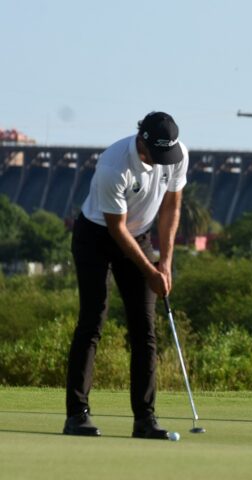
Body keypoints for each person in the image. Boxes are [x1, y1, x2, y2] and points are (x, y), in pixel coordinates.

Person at [63, 111, 188, 439]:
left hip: (141, 236)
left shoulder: (176, 155)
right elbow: (116, 229)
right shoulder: (114, 165)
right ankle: (77, 415)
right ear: (141, 141)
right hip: (97, 237)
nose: (163, 162)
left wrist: (166, 263)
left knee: (145, 329)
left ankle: (144, 420)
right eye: (157, 154)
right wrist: (149, 271)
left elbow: (172, 208)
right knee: (92, 320)